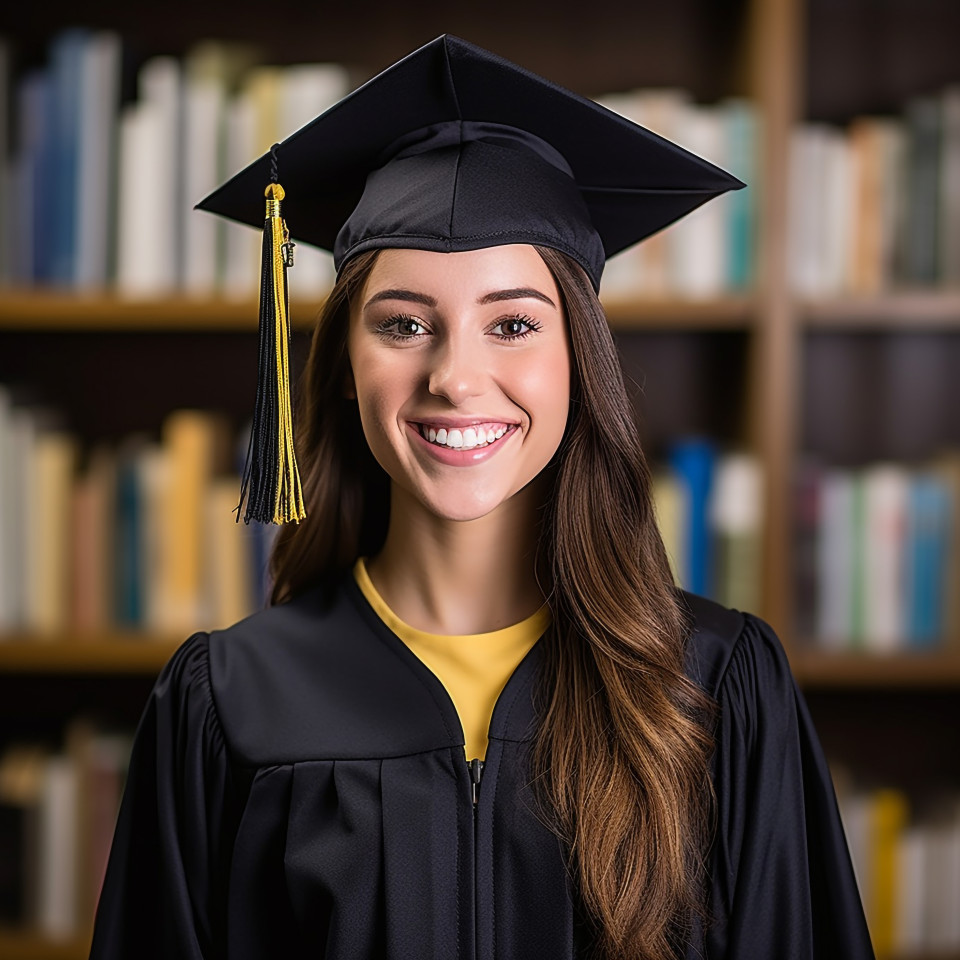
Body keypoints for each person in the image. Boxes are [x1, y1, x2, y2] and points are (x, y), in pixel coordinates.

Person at [89, 35, 875, 960]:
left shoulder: (714, 690)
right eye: (404, 324)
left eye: (512, 324)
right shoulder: (226, 705)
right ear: (345, 365)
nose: (456, 378)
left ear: (578, 360)